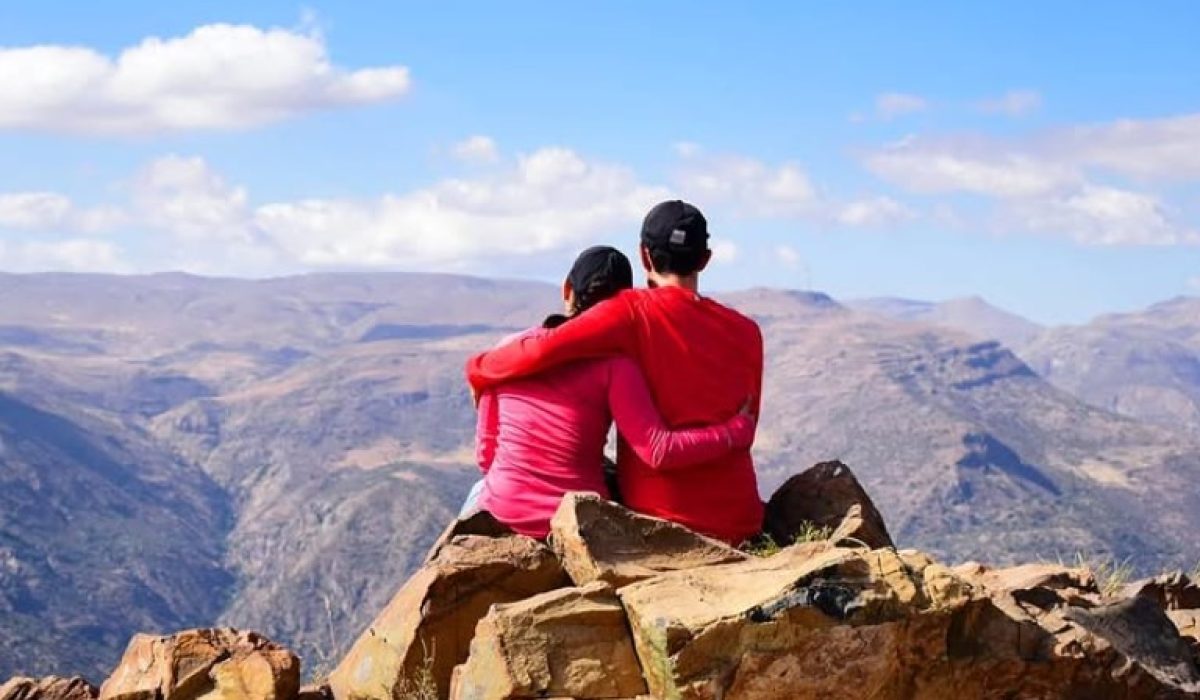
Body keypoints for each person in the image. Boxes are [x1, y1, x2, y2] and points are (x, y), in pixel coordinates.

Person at [466, 201, 765, 545]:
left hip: (661, 519)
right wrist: (734, 432)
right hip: (740, 519)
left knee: (483, 492)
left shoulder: (630, 312)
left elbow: (543, 348)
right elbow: (748, 422)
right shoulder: (747, 332)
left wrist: (479, 369)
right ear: (705, 259)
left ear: (645, 257)